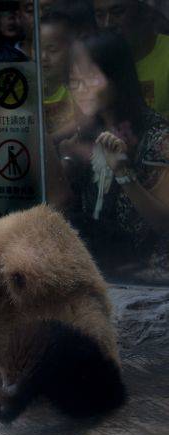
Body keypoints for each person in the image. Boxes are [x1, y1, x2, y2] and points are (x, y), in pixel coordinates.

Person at [61, 30, 169, 278]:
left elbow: (164, 224)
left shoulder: (156, 135)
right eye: (74, 81)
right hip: (96, 266)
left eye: (90, 78)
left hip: (146, 274)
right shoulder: (85, 134)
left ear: (117, 77)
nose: (81, 90)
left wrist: (123, 173)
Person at [94, 0, 169, 119]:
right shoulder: (96, 65)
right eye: (99, 16)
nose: (107, 24)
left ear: (145, 11)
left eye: (117, 12)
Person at [39, 12, 78, 138]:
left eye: (52, 50)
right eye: (37, 48)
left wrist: (48, 141)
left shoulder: (78, 88)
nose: (43, 57)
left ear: (71, 49)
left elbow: (83, 122)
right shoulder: (25, 90)